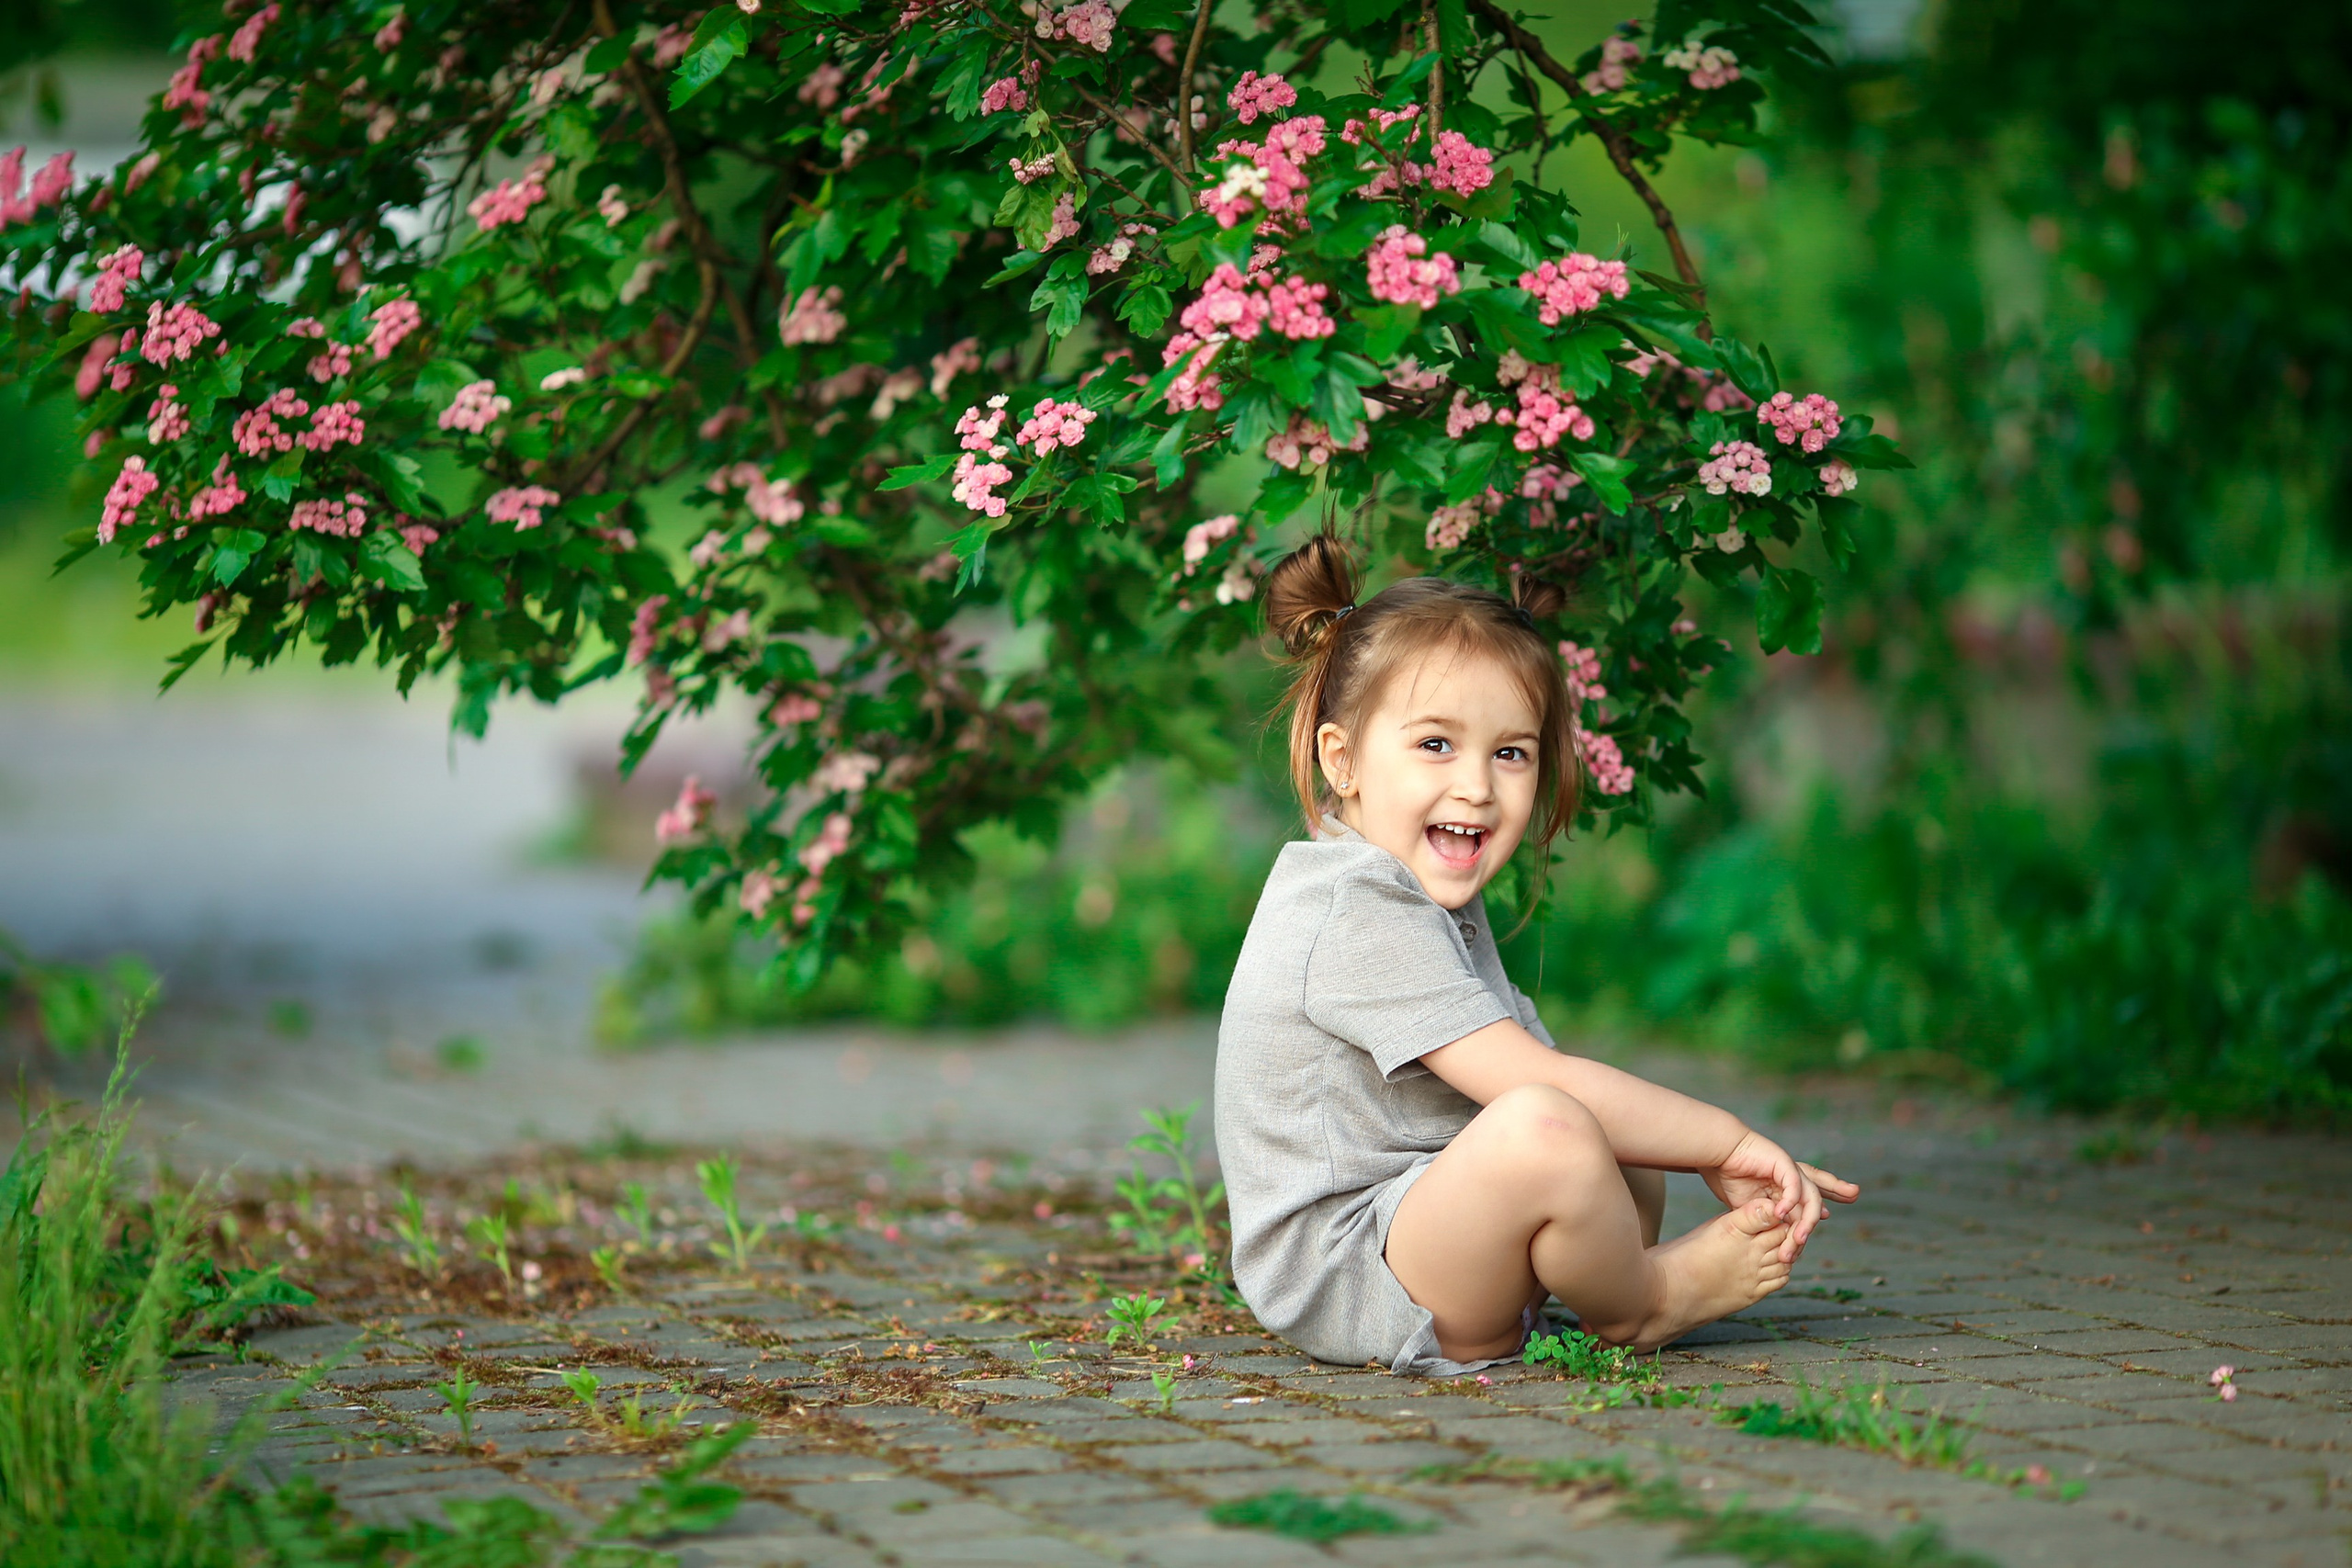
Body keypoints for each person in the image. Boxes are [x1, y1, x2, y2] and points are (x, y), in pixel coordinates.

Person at [1215, 534, 1860, 1375]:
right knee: (1553, 1118)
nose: (1478, 785)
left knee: (1611, 1133)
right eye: (1436, 745)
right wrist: (1723, 1142)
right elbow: (1527, 1088)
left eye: (1510, 752)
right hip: (1355, 1273)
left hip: (1428, 1231)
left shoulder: (1418, 892)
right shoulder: (1350, 905)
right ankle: (1644, 1303)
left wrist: (1673, 1142)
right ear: (1344, 761)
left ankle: (1601, 1286)